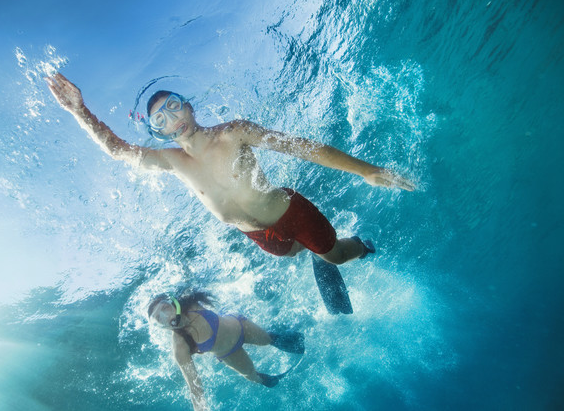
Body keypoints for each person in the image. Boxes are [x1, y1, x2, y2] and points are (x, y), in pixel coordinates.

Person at [45, 73, 415, 265]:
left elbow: (302, 148)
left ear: (189, 107)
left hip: (291, 212)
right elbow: (117, 150)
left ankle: (361, 248)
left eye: (175, 106)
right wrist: (80, 111)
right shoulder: (174, 162)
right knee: (293, 255)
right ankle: (314, 254)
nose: (172, 118)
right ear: (157, 132)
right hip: (260, 237)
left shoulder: (234, 133)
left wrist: (365, 169)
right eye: (160, 119)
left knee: (334, 255)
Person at [147, 291, 305, 411]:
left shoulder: (190, 304)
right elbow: (194, 385)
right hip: (229, 353)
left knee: (267, 340)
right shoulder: (180, 345)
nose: (167, 317)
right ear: (160, 327)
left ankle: (292, 336)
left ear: (172, 303)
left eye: (165, 309)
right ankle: (284, 381)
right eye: (159, 318)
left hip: (241, 326)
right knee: (253, 377)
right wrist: (200, 408)